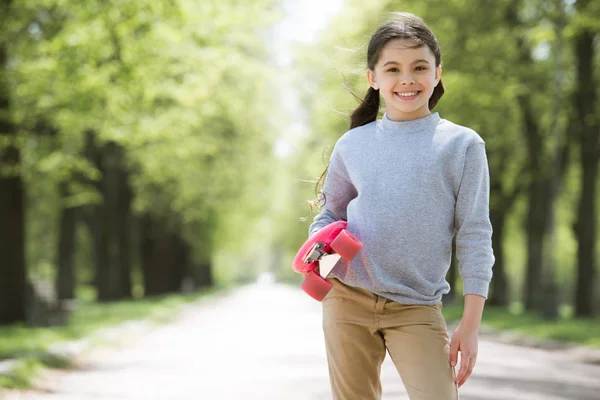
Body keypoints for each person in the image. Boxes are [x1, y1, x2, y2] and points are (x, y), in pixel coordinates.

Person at [307, 11, 495, 400]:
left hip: (418, 306)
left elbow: (476, 235)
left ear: (438, 73)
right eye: (392, 68)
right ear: (373, 78)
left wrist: (470, 326)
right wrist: (319, 242)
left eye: (419, 67)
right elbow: (330, 213)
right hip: (348, 298)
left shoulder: (462, 146)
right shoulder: (353, 145)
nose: (407, 79)